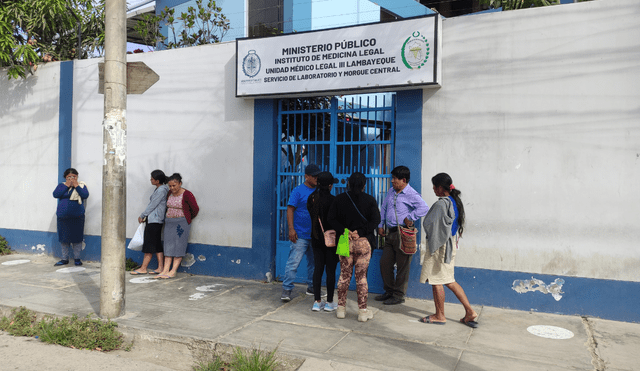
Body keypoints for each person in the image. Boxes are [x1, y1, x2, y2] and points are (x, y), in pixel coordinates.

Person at [419, 173, 478, 328]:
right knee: (449, 280)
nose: (433, 189)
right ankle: (470, 311)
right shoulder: (454, 202)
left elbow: (429, 223)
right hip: (449, 244)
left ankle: (440, 315)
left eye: (434, 186)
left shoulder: (441, 204)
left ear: (440, 187)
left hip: (440, 246)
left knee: (437, 280)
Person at [328, 172, 380, 322]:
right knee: (361, 277)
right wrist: (361, 231)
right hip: (363, 242)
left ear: (348, 183)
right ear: (364, 185)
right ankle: (363, 312)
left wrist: (345, 231)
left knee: (344, 276)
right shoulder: (370, 200)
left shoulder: (339, 199)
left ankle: (341, 309)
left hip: (345, 240)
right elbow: (376, 220)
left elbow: (331, 219)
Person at [376, 166, 429, 305]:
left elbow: (424, 207)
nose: (392, 181)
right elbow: (384, 207)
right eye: (392, 178)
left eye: (395, 179)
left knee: (402, 266)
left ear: (403, 180)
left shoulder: (411, 194)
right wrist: (381, 224)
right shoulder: (391, 191)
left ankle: (398, 295)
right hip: (390, 233)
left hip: (403, 233)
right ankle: (389, 291)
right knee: (385, 263)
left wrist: (410, 217)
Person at [281, 164, 322, 302]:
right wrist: (291, 229)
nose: (317, 178)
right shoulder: (298, 191)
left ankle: (311, 287)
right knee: (293, 263)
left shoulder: (319, 190)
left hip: (315, 235)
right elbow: (290, 209)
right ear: (306, 176)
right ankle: (287, 289)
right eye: (314, 176)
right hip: (300, 235)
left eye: (318, 175)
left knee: (314, 263)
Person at [155, 173, 199, 279]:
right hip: (169, 222)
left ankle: (173, 270)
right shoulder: (169, 193)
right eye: (170, 186)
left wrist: (186, 218)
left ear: (180, 183)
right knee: (168, 245)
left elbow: (195, 209)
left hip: (182, 223)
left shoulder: (187, 194)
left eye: (174, 185)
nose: (172, 188)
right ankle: (165, 270)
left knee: (179, 245)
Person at [307, 171, 338, 312]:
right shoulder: (334, 200)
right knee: (330, 270)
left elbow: (312, 215)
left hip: (316, 238)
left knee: (318, 269)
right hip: (331, 239)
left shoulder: (311, 198)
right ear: (330, 185)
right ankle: (330, 302)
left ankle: (317, 301)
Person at [131, 170, 169, 275]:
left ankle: (143, 268)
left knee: (149, 244)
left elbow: (153, 204)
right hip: (156, 219)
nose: (150, 180)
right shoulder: (160, 189)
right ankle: (160, 267)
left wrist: (143, 215)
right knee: (156, 244)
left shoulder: (161, 190)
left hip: (155, 220)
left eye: (152, 178)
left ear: (157, 180)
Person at [52, 168, 89, 266]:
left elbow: (85, 195)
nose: (72, 179)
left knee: (77, 238)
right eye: (69, 177)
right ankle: (64, 259)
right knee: (64, 239)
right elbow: (56, 194)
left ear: (77, 177)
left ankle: (77, 259)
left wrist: (76, 186)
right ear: (65, 177)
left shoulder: (81, 185)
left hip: (77, 217)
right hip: (63, 217)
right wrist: (67, 185)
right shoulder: (61, 186)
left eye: (74, 177)